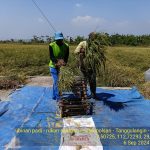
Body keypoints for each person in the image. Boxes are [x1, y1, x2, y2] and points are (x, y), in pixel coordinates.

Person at [74, 32, 99, 99]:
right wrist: (83, 50)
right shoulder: (83, 43)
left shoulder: (96, 45)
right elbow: (76, 51)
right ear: (89, 37)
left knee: (92, 80)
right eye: (93, 37)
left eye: (95, 38)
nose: (94, 39)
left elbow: (98, 54)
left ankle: (93, 94)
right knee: (83, 80)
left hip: (92, 66)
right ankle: (83, 94)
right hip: (83, 66)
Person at [49, 32, 69, 101]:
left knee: (58, 81)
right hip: (53, 66)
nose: (59, 41)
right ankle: (58, 98)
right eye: (58, 40)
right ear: (55, 39)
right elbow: (51, 56)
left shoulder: (66, 46)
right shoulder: (51, 45)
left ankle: (54, 96)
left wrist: (64, 62)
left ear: (62, 39)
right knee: (57, 81)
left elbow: (66, 56)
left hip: (62, 67)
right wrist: (57, 62)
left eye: (60, 39)